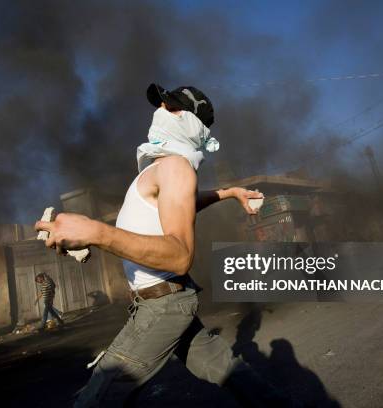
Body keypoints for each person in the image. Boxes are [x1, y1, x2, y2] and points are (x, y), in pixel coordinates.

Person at [36, 84, 279, 407]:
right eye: (163, 104)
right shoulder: (166, 168)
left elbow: (180, 256)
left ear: (192, 124)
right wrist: (230, 192)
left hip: (163, 306)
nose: (160, 111)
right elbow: (183, 204)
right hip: (165, 301)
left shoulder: (176, 168)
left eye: (172, 107)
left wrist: (96, 231)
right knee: (227, 370)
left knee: (95, 400)